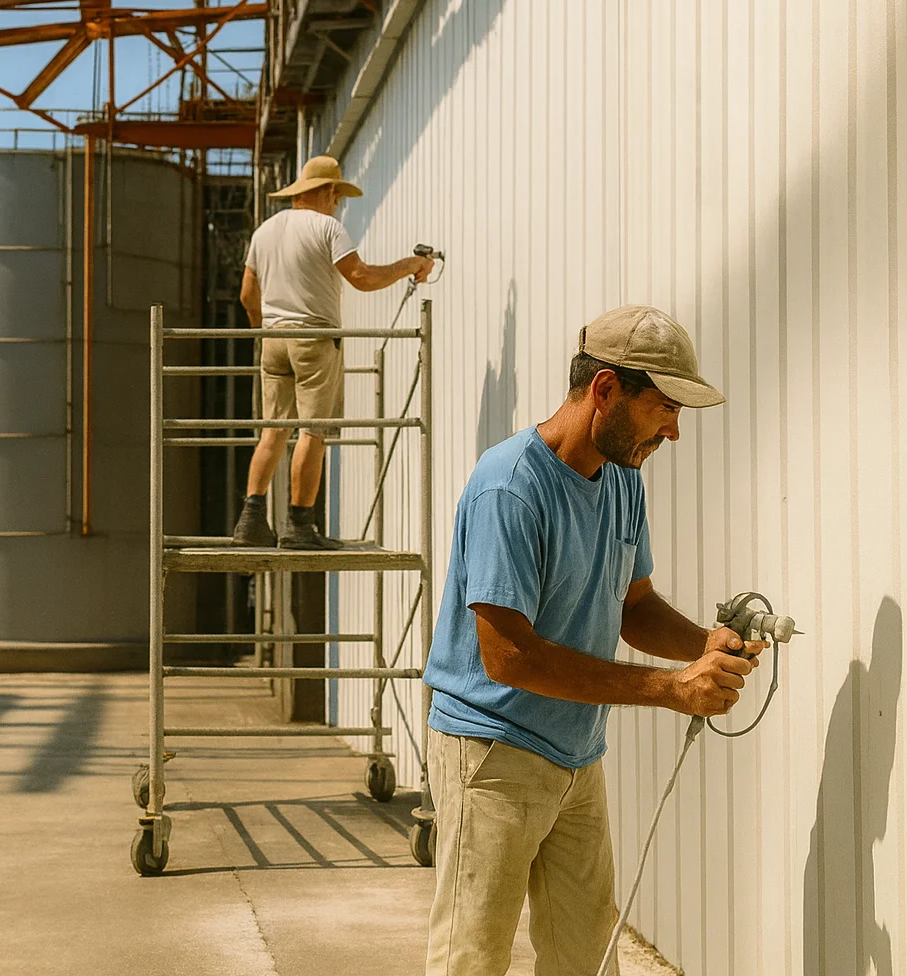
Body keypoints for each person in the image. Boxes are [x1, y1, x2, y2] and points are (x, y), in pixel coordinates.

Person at [422, 305, 769, 976]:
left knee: (586, 960)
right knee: (471, 960)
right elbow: (509, 656)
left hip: (575, 758)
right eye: (664, 408)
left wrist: (707, 644)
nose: (673, 431)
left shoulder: (623, 477)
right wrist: (671, 690)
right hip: (491, 756)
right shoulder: (510, 487)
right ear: (606, 390)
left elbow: (631, 606)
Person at [232, 155, 433, 550]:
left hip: (272, 340)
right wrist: (409, 264)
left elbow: (247, 293)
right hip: (314, 339)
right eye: (337, 195)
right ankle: (299, 526)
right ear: (325, 192)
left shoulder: (264, 231)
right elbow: (361, 277)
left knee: (273, 430)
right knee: (314, 431)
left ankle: (250, 521)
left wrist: (263, 327)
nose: (337, 203)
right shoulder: (328, 228)